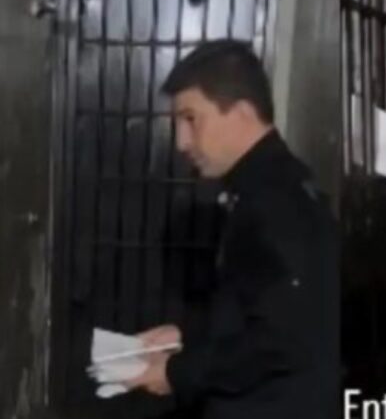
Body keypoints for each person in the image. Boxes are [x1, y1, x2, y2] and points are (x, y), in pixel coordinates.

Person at [125, 40, 339, 419]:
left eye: (191, 119)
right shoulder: (270, 187)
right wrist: (187, 338)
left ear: (241, 113)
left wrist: (178, 372)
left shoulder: (276, 201)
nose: (182, 142)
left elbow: (280, 343)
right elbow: (260, 310)